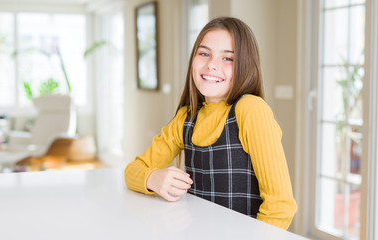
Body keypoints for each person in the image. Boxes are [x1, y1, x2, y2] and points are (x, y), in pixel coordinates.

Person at [125, 17, 297, 230]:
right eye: (204, 53)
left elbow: (281, 206)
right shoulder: (185, 118)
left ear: (245, 65)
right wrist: (152, 178)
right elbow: (133, 170)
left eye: (228, 58)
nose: (212, 65)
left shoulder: (251, 110)